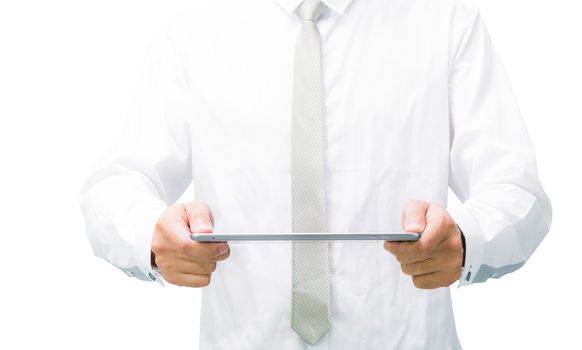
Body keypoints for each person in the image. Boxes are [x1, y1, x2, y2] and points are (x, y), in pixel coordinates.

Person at [80, 0, 552, 348]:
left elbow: (518, 192)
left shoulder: (447, 22)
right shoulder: (193, 33)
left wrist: (468, 239)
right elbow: (115, 186)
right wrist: (152, 237)